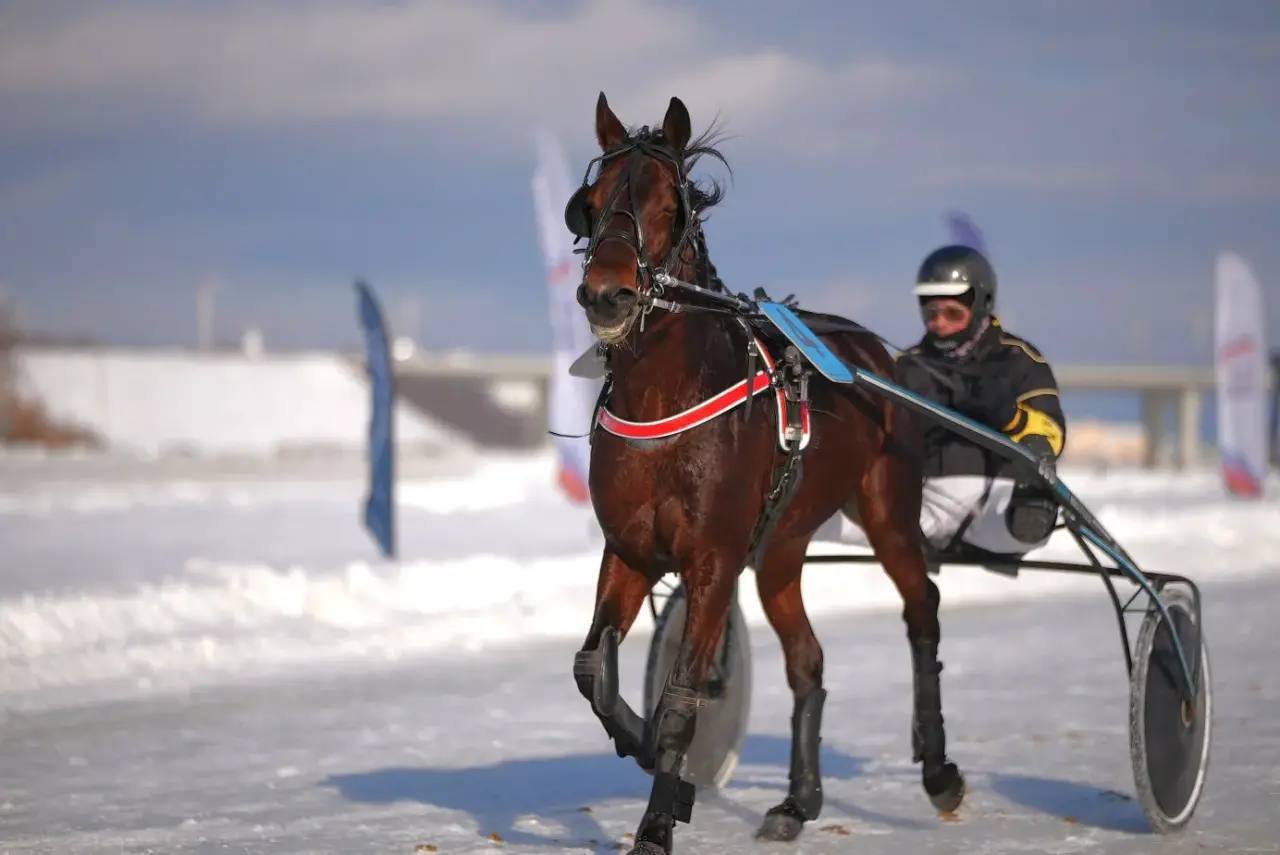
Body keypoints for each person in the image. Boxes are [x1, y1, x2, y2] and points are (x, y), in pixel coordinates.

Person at [833, 244, 1067, 557]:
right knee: (824, 513)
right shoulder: (906, 366)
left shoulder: (1018, 358)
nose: (940, 322)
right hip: (924, 501)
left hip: (996, 499)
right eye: (931, 314)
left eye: (953, 313)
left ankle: (1030, 517)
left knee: (1027, 506)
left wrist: (1010, 417)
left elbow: (1051, 432)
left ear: (982, 304)